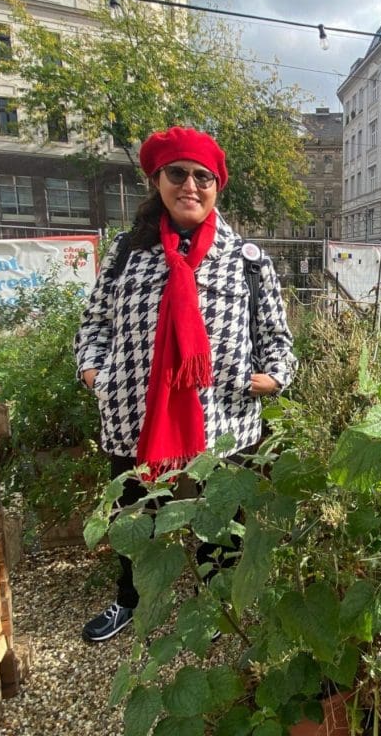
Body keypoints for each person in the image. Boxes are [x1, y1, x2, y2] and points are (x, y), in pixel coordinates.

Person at [75, 126, 296, 642]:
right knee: (133, 511)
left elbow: (277, 335)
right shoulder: (128, 252)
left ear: (217, 186)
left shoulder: (246, 259)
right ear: (158, 181)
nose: (189, 186)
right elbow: (95, 323)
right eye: (178, 174)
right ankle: (130, 598)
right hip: (135, 413)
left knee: (221, 512)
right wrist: (95, 371)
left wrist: (275, 377)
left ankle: (217, 605)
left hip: (224, 414)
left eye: (203, 177)